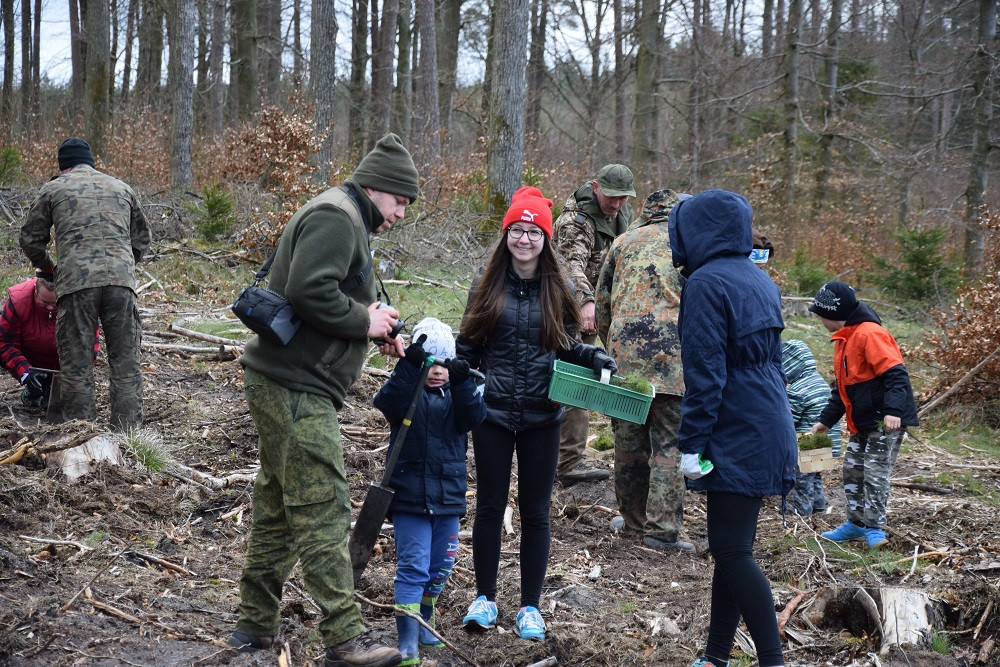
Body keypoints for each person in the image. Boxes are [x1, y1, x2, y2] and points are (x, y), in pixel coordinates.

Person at [229, 133, 418, 667]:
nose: (401, 212)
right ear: (376, 187)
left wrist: (376, 326)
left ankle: (254, 624)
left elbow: (340, 288)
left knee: (275, 506)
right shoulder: (339, 217)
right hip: (294, 386)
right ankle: (344, 641)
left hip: (289, 381)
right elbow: (312, 290)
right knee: (323, 507)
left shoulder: (347, 216)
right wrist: (364, 320)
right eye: (400, 200)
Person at [456, 186, 617, 642]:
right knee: (488, 506)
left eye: (532, 232)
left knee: (536, 512)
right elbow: (467, 347)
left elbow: (566, 344)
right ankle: (485, 598)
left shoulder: (560, 287)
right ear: (506, 234)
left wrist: (595, 358)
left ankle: (530, 606)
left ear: (545, 239)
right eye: (516, 230)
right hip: (492, 413)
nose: (524, 239)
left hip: (544, 415)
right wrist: (458, 384)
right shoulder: (486, 285)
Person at [667, 189, 796, 667]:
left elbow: (706, 376)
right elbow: (771, 364)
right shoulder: (759, 279)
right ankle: (715, 656)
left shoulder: (705, 283)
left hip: (735, 426)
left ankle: (772, 660)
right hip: (768, 419)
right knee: (732, 545)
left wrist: (691, 444)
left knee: (731, 550)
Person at [373, 317, 486, 666]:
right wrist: (410, 365)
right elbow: (386, 402)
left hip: (448, 500)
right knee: (413, 568)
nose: (436, 371)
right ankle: (407, 641)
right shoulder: (408, 395)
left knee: (440, 567)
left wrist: (464, 379)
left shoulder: (458, 397)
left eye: (443, 364)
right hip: (409, 499)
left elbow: (475, 417)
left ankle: (425, 616)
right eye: (430, 363)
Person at [20, 137, 150, 430]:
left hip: (76, 285)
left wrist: (48, 268)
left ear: (62, 166)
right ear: (91, 162)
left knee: (76, 366)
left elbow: (30, 238)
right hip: (121, 284)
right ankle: (127, 439)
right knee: (125, 364)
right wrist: (123, 267)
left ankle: (82, 437)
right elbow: (142, 238)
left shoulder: (53, 188)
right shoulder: (121, 187)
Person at [594, 189, 694, 552]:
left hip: (627, 359)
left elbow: (602, 302)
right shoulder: (689, 245)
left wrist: (613, 348)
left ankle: (633, 522)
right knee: (669, 445)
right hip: (674, 360)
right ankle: (662, 530)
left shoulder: (622, 242)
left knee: (629, 444)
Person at [807, 281, 918, 550]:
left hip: (884, 421)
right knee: (853, 471)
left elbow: (896, 375)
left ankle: (875, 528)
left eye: (820, 314)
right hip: (862, 421)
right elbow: (843, 389)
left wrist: (893, 411)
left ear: (833, 314)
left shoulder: (870, 334)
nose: (819, 319)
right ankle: (855, 524)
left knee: (875, 474)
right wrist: (825, 421)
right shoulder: (843, 339)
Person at [552, 163, 635, 484]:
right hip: (570, 309)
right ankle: (568, 463)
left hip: (603, 308)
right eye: (611, 197)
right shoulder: (577, 222)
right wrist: (586, 302)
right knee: (577, 381)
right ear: (596, 187)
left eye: (623, 198)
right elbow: (569, 265)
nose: (616, 204)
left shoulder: (620, 217)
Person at [0, 270, 100, 408]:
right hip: (29, 358)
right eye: (44, 302)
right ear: (35, 291)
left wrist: (71, 377)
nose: (50, 308)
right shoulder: (19, 302)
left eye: (55, 303)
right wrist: (25, 372)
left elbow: (89, 347)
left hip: (63, 363)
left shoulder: (79, 303)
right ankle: (33, 387)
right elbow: (5, 343)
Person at [782, 339, 843, 516]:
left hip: (808, 439)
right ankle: (818, 503)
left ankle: (802, 509)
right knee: (815, 474)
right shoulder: (819, 381)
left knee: (802, 479)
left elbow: (790, 419)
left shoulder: (797, 390)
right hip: (826, 437)